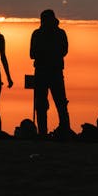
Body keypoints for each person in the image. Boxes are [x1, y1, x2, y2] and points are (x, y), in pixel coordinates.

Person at [30, 9, 71, 137]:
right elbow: (63, 51)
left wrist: (43, 53)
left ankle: (45, 132)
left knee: (47, 103)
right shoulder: (60, 33)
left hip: (46, 72)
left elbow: (32, 54)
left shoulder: (37, 34)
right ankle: (62, 130)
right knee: (58, 103)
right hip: (53, 71)